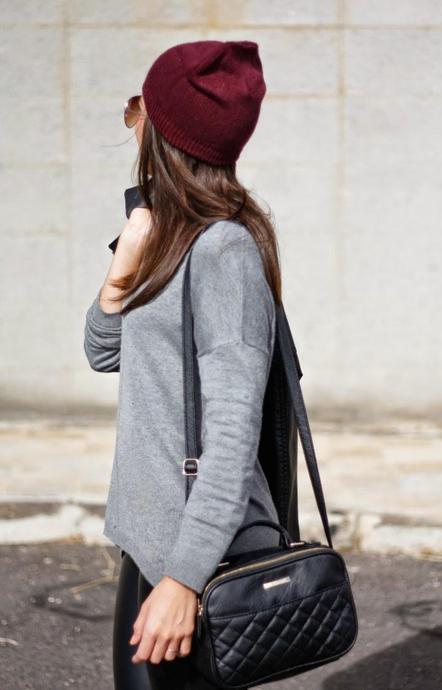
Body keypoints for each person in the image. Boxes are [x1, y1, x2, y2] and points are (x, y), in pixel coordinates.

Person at [83, 39, 284, 689]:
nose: (130, 122)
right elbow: (103, 352)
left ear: (165, 131)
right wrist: (120, 276)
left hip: (193, 558)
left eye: (138, 107)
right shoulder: (166, 236)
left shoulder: (223, 251)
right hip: (150, 540)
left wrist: (182, 580)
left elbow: (232, 436)